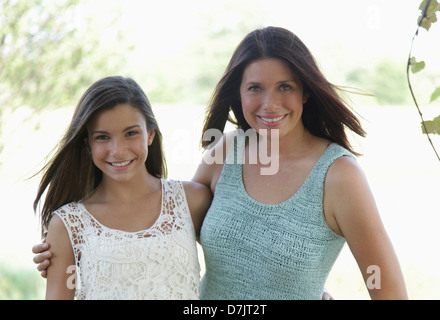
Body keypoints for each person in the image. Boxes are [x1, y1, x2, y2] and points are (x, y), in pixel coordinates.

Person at [33, 26, 408, 299]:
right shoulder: (226, 152)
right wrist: (78, 242)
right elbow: (165, 225)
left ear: (306, 91)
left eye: (285, 87)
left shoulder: (338, 176)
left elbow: (385, 285)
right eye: (255, 88)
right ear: (238, 94)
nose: (270, 104)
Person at [33, 76, 211, 299]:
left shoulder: (191, 201)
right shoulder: (68, 224)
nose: (117, 150)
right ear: (88, 144)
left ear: (150, 135)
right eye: (103, 137)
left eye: (131, 133)